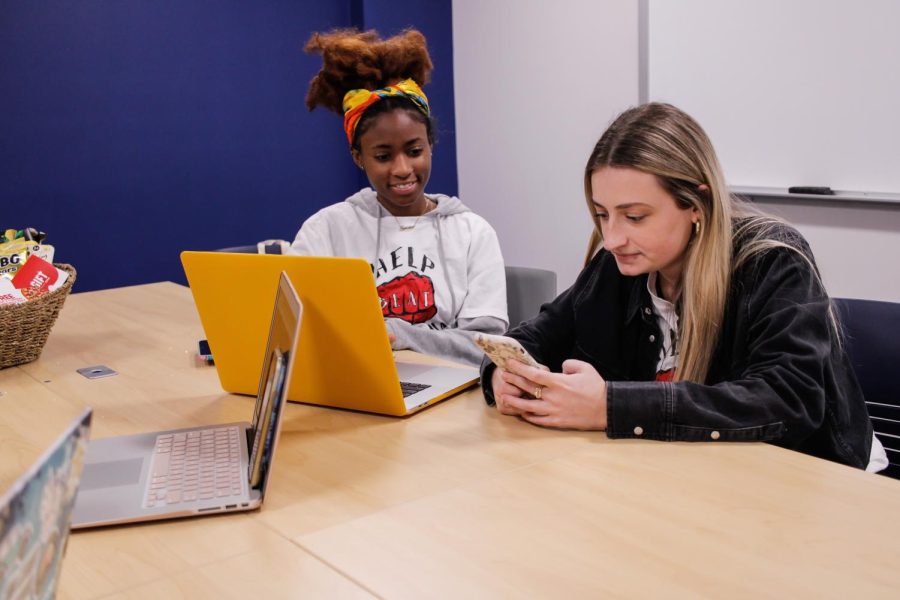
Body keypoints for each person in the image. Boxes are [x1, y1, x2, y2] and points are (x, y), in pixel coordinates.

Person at [481, 102, 887, 471]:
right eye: (602, 214)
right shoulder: (618, 267)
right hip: (701, 474)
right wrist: (503, 374)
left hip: (818, 480)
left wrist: (609, 406)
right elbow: (533, 336)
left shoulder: (772, 262)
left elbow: (787, 400)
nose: (613, 237)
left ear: (697, 204)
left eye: (635, 217)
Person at [290, 28, 507, 367]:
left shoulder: (473, 233)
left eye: (414, 150)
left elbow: (489, 346)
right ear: (358, 157)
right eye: (383, 156)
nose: (402, 168)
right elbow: (297, 329)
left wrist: (397, 335)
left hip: (455, 393)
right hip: (357, 383)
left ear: (431, 145)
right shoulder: (326, 231)